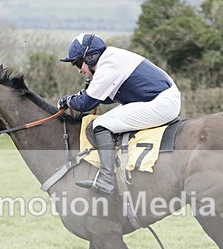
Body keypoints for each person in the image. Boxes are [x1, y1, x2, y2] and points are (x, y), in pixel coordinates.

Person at [57, 33, 181, 194]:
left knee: (100, 125)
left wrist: (67, 101)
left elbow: (86, 104)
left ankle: (107, 179)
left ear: (90, 57)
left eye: (79, 63)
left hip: (161, 103)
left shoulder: (107, 65)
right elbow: (106, 98)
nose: (79, 70)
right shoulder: (111, 58)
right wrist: (80, 97)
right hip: (163, 99)